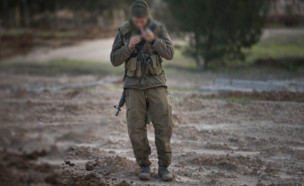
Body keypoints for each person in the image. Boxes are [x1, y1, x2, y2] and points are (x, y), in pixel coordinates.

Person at [110, 0, 174, 181]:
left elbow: (170, 53)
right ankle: (144, 165)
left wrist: (153, 40)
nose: (139, 24)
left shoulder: (158, 28)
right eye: (136, 21)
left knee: (164, 124)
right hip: (133, 86)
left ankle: (164, 167)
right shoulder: (123, 31)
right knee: (135, 128)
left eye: (142, 20)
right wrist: (128, 46)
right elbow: (114, 59)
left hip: (156, 83)